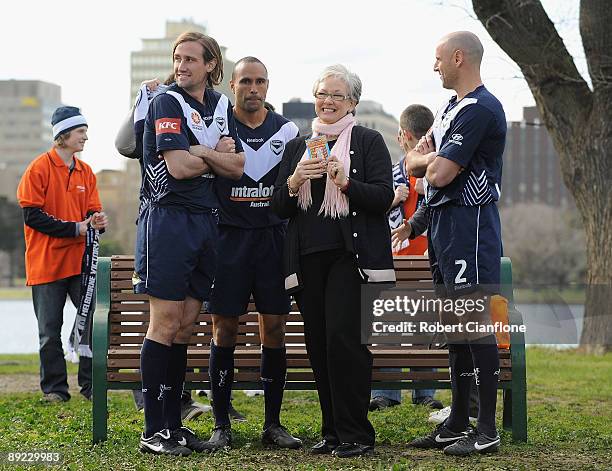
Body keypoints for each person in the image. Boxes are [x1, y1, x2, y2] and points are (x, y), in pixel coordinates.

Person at [271, 64, 395, 458]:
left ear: (352, 102)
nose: (326, 101)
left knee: (345, 342)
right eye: (321, 94)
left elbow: (382, 197)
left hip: (350, 258)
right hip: (306, 261)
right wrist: (294, 181)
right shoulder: (298, 147)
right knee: (318, 345)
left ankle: (356, 433)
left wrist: (345, 184)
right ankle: (332, 433)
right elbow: (277, 208)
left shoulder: (368, 140)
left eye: (336, 95)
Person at [134, 31, 245, 456]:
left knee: (185, 326)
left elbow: (236, 167)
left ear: (211, 65)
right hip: (167, 220)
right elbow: (178, 167)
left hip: (206, 222)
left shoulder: (220, 105)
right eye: (177, 58)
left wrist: (206, 153)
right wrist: (210, 154)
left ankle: (173, 426)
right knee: (164, 323)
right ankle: (153, 431)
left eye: (191, 60)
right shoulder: (166, 101)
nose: (181, 66)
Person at [406, 31, 506, 456]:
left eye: (439, 58)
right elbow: (412, 163)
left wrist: (430, 160)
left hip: (471, 226)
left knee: (473, 324)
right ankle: (457, 423)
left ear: (459, 58)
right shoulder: (450, 109)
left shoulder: (481, 108)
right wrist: (430, 159)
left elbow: (440, 173)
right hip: (442, 228)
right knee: (454, 329)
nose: (435, 66)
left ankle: (486, 430)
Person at [202, 56, 302, 452]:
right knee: (224, 329)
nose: (253, 88)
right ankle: (221, 423)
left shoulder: (289, 130)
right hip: (228, 239)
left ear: (267, 86)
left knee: (274, 329)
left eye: (260, 81)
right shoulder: (216, 128)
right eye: (246, 81)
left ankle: (272, 424)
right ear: (232, 86)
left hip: (273, 240)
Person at [17, 106, 108, 403]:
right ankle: (55, 390)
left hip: (80, 264)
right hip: (46, 265)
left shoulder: (86, 172)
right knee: (49, 332)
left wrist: (96, 220)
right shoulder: (38, 169)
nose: (85, 137)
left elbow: (91, 211)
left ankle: (90, 386)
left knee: (91, 325)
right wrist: (75, 229)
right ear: (63, 135)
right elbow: (32, 216)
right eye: (80, 131)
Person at [370, 104, 444, 412]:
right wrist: (391, 200)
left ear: (403, 136)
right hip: (402, 261)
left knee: (414, 330)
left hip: (420, 260)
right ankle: (390, 392)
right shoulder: (394, 177)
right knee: (400, 329)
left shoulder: (436, 172)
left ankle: (419, 391)